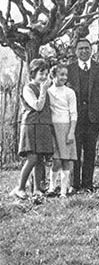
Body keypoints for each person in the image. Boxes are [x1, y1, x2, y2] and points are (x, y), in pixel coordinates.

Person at [67, 38, 99, 192]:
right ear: (75, 51)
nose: (84, 51)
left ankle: (87, 184)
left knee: (90, 151)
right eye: (80, 48)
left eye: (87, 48)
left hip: (94, 117)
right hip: (74, 119)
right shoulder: (69, 70)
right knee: (74, 152)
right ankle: (74, 185)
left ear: (91, 50)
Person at [10, 59, 54, 199]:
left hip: (43, 126)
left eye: (46, 74)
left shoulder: (45, 88)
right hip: (31, 125)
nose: (44, 77)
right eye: (41, 73)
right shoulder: (28, 88)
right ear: (33, 73)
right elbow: (37, 106)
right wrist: (43, 90)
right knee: (32, 158)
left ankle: (37, 189)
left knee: (40, 158)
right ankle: (21, 187)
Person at [47, 64, 78, 198]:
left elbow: (73, 114)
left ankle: (63, 191)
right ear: (53, 76)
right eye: (61, 75)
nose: (64, 77)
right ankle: (51, 187)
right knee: (56, 160)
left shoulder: (69, 92)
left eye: (66, 75)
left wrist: (71, 132)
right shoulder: (48, 91)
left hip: (66, 128)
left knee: (66, 160)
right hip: (53, 128)